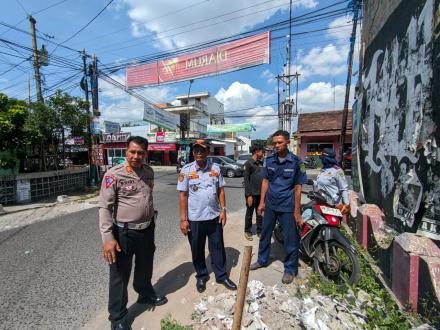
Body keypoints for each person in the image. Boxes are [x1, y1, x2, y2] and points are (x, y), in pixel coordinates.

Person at [98, 136, 167, 330]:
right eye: (132, 151)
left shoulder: (148, 171)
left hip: (147, 229)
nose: (136, 156)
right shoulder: (114, 175)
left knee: (145, 266)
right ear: (125, 151)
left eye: (140, 152)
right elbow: (104, 207)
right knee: (119, 275)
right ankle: (117, 316)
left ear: (146, 153)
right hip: (124, 233)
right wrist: (108, 238)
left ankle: (145, 293)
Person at [177, 139, 237, 293]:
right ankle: (202, 275)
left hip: (214, 216)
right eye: (196, 150)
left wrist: (223, 210)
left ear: (207, 152)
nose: (198, 153)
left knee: (217, 247)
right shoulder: (186, 170)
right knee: (197, 249)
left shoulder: (215, 168)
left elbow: (221, 191)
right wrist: (183, 219)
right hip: (195, 218)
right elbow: (183, 196)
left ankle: (221, 275)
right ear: (193, 153)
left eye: (202, 150)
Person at [250, 130, 307, 284]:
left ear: (288, 142)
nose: (276, 145)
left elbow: (298, 188)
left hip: (287, 206)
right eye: (274, 142)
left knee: (290, 239)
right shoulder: (269, 160)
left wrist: (297, 211)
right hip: (270, 204)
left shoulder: (297, 162)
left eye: (280, 142)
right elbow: (265, 182)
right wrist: (262, 202)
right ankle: (262, 260)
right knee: (265, 234)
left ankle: (290, 269)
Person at [315, 148, 350, 215]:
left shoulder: (337, 170)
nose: (321, 160)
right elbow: (320, 184)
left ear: (326, 159)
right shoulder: (323, 170)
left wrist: (346, 204)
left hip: (333, 206)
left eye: (322, 158)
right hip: (322, 202)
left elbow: (344, 189)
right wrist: (310, 182)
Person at [243, 144, 265, 240]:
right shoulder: (248, 163)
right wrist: (249, 195)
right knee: (249, 214)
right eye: (262, 152)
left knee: (259, 212)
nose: (263, 154)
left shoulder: (260, 163)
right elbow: (246, 181)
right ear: (256, 151)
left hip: (260, 194)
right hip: (251, 194)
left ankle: (260, 231)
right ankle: (247, 231)